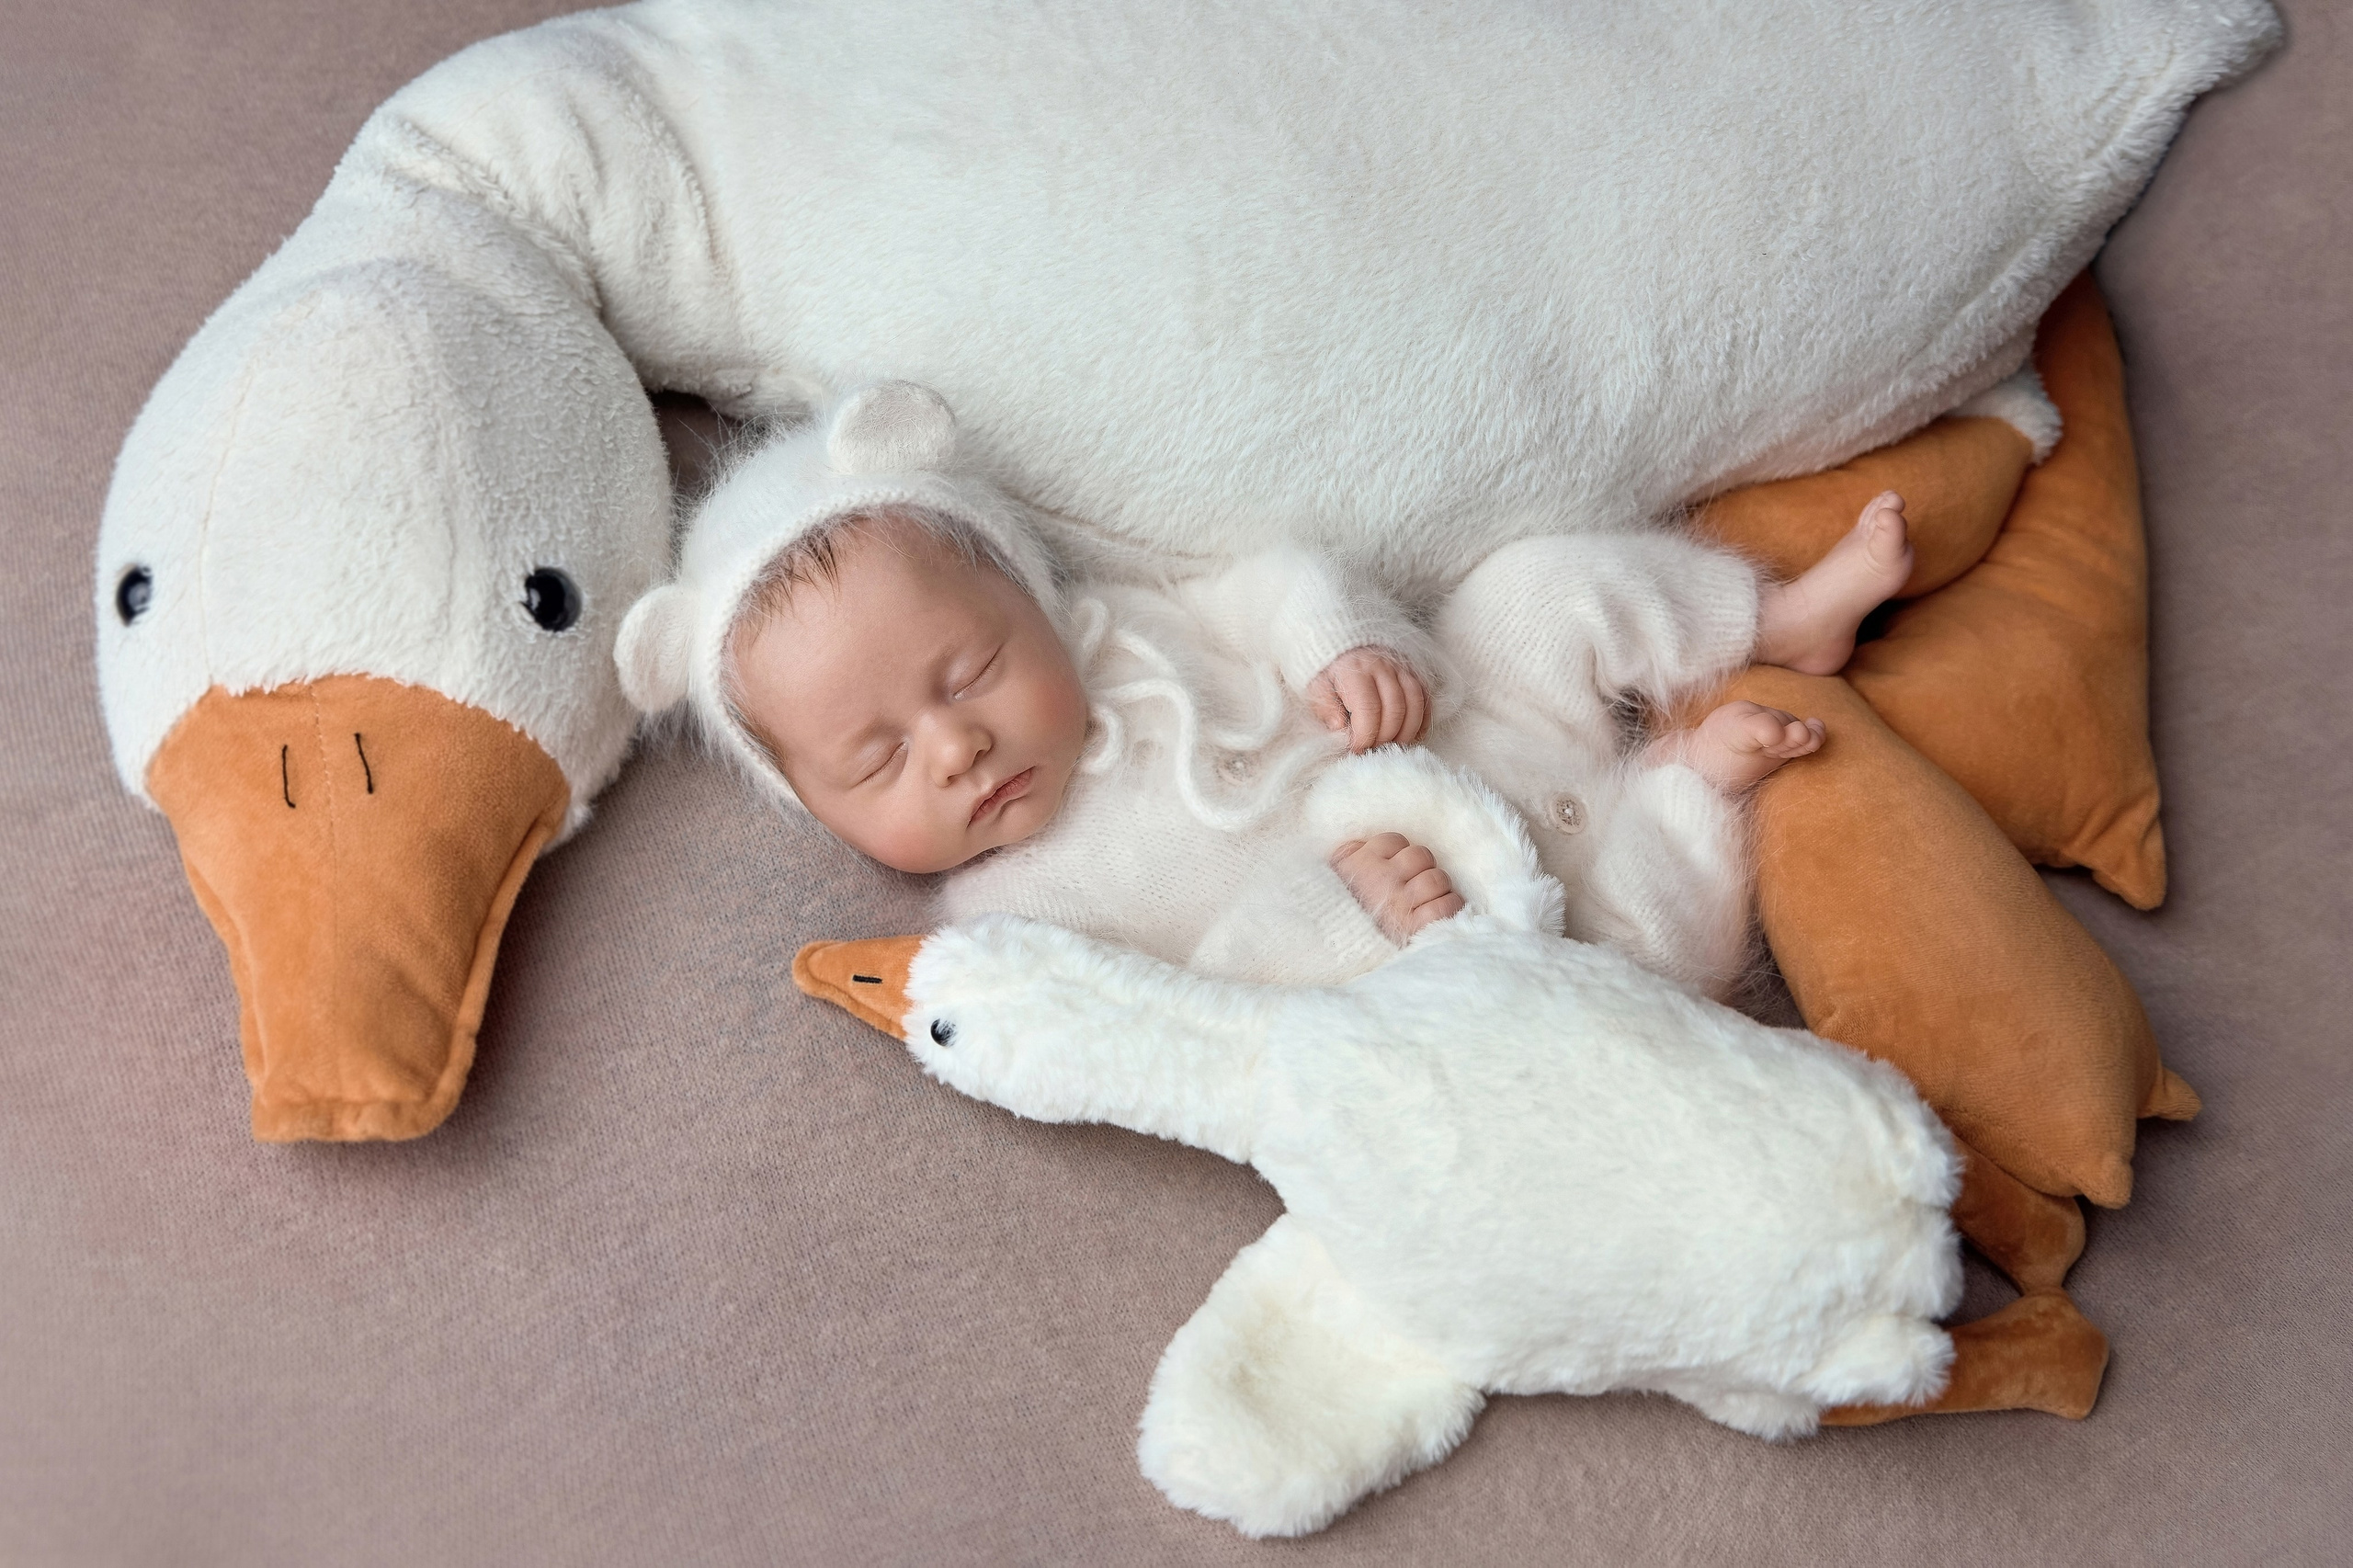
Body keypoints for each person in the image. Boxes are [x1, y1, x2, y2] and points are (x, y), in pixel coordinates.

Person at [616, 382, 1911, 995]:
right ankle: (1687, 798)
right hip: (1454, 927)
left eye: (970, 671)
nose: (954, 743)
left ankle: (1773, 618)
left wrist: (1342, 644)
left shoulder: (1122, 625)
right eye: (877, 759)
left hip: (1485, 726)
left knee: (1528, 592)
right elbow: (1203, 1016)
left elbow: (1274, 582)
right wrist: (1336, 917)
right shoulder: (1022, 908)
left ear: (1034, 601)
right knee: (1595, 973)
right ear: (815, 804)